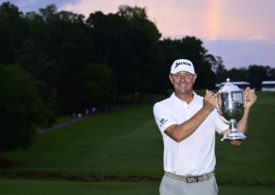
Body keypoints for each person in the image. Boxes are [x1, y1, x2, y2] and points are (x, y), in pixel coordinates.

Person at [153, 59, 257, 195]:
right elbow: (177, 134)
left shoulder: (210, 104)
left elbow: (235, 139)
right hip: (173, 185)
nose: (183, 79)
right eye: (178, 75)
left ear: (194, 78)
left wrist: (246, 109)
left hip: (205, 185)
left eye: (187, 75)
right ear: (171, 78)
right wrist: (206, 109)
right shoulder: (162, 106)